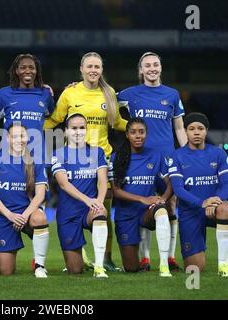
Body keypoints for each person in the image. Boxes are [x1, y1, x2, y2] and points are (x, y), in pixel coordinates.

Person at [44, 52, 128, 271]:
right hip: (73, 158)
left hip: (102, 157)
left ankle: (106, 259)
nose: (93, 70)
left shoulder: (108, 92)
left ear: (102, 69)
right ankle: (79, 255)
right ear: (81, 69)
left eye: (97, 67)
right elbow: (55, 119)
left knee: (103, 210)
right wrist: (26, 132)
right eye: (89, 66)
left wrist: (146, 129)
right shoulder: (70, 92)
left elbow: (117, 122)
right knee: (74, 205)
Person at [0, 53, 55, 273]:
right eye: (23, 67)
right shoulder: (5, 94)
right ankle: (1, 256)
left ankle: (39, 263)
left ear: (37, 71)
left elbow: (55, 116)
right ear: (16, 70)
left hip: (36, 162)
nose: (27, 71)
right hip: (9, 160)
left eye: (31, 68)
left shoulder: (45, 94)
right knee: (6, 271)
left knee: (38, 213)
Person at [117, 52, 186, 271]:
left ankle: (170, 256)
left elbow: (179, 127)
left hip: (167, 157)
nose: (152, 68)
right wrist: (76, 86)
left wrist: (186, 155)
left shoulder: (172, 95)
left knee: (171, 203)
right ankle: (145, 258)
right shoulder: (130, 94)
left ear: (161, 68)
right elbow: (103, 96)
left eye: (155, 64)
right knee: (146, 201)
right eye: (147, 65)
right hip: (140, 157)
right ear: (141, 70)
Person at [168, 113, 228, 276]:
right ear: (185, 131)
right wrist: (201, 203)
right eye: (191, 129)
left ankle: (223, 266)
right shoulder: (176, 156)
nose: (196, 132)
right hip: (190, 212)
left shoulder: (218, 154)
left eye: (200, 128)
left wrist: (215, 202)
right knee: (194, 269)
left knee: (225, 208)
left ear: (206, 131)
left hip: (214, 208)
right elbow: (178, 189)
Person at [109, 117, 173, 277]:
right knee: (131, 268)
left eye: (141, 132)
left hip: (147, 211)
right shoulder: (116, 157)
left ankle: (164, 265)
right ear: (127, 135)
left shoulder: (156, 155)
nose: (138, 136)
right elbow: (116, 192)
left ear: (146, 134)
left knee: (161, 209)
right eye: (133, 132)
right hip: (126, 215)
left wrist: (163, 198)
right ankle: (139, 258)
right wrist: (141, 199)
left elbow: (171, 183)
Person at [0, 123, 50, 277]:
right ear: (7, 138)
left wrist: (24, 216)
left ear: (27, 138)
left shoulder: (36, 160)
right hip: (5, 216)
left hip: (29, 213)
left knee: (40, 218)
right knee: (5, 271)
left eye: (22, 136)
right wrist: (10, 215)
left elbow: (40, 195)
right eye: (14, 136)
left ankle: (39, 265)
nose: (18, 140)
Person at [51, 113, 109, 278]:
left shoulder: (97, 152)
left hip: (89, 210)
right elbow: (63, 184)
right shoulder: (58, 154)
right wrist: (88, 200)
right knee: (75, 270)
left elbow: (103, 181)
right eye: (74, 128)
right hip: (68, 213)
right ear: (66, 131)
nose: (78, 132)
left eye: (82, 128)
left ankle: (99, 267)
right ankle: (80, 255)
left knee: (100, 213)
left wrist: (99, 201)